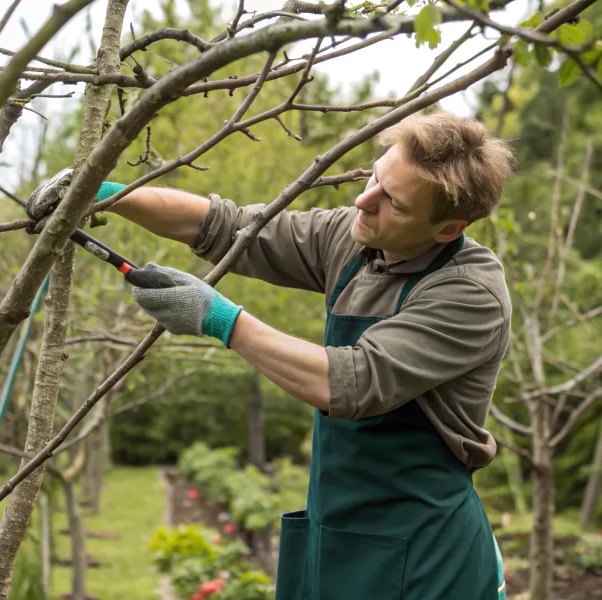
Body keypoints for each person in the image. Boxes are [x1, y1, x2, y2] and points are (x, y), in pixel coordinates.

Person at [31, 112, 513, 600]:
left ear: (448, 228)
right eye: (375, 177)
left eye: (394, 202)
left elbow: (353, 381)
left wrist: (219, 319)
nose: (363, 201)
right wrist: (103, 193)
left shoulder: (468, 294)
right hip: (340, 532)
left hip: (426, 553)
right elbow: (229, 226)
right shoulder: (355, 241)